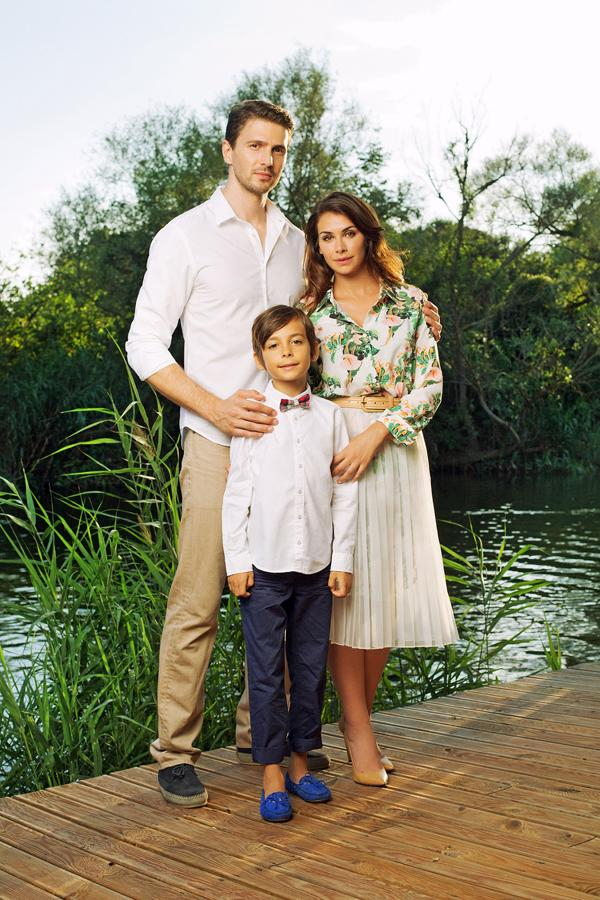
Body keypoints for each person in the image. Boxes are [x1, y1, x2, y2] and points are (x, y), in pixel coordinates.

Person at [126, 97, 442, 808]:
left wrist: (413, 308)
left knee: (291, 588)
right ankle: (175, 751)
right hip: (219, 440)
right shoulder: (184, 237)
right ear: (228, 149)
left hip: (298, 441)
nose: (267, 160)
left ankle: (259, 736)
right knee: (200, 597)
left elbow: (339, 313)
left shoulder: (300, 241)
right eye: (255, 146)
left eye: (278, 150)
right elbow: (143, 343)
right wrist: (214, 407)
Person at [302, 191, 458, 786]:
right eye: (327, 237)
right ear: (317, 247)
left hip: (394, 453)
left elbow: (431, 387)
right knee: (347, 590)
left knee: (385, 588)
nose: (339, 246)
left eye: (348, 233)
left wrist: (379, 431)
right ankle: (359, 730)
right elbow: (291, 380)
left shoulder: (411, 303)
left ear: (368, 236)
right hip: (336, 456)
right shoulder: (310, 312)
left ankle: (356, 722)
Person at [222, 305, 357, 821]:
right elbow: (237, 496)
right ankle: (271, 773)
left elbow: (344, 493)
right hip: (264, 568)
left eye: (296, 342)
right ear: (260, 357)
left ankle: (301, 764)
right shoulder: (253, 418)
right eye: (274, 345)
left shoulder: (331, 418)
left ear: (313, 351)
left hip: (317, 568)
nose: (286, 353)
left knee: (309, 669)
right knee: (264, 674)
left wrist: (342, 560)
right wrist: (237, 561)